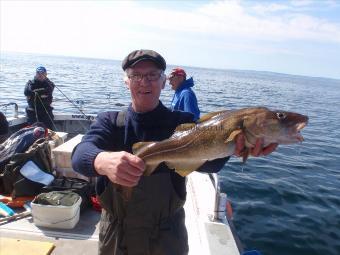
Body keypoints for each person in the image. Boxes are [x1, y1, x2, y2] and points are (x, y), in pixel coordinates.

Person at [71, 49, 278, 255]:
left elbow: (210, 164)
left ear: (163, 82)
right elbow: (80, 156)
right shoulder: (110, 122)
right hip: (117, 236)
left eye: (153, 75)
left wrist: (234, 147)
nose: (145, 81)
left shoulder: (183, 124)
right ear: (126, 81)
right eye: (136, 76)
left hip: (167, 237)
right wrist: (102, 160)